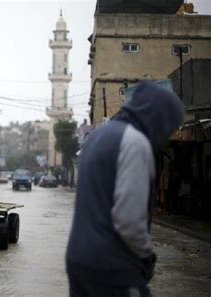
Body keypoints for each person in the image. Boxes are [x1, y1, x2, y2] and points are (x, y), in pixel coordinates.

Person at [66, 82, 184, 297]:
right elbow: (129, 221)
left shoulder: (97, 137)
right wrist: (147, 257)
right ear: (158, 117)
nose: (167, 134)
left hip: (78, 260)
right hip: (112, 266)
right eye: (169, 126)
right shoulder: (135, 142)